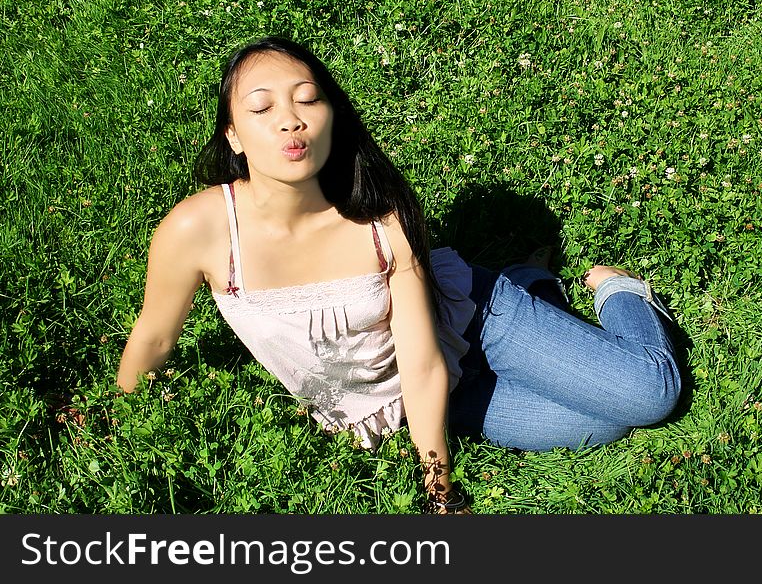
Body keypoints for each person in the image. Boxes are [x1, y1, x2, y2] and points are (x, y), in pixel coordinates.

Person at [116, 36, 682, 514]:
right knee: (602, 426)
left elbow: (419, 357)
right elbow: (156, 336)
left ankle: (618, 290)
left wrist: (438, 489)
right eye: (261, 109)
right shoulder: (200, 229)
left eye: (307, 100)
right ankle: (534, 284)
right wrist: (120, 425)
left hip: (474, 317)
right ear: (234, 136)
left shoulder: (379, 221)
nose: (290, 119)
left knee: (648, 396)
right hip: (425, 399)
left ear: (331, 118)